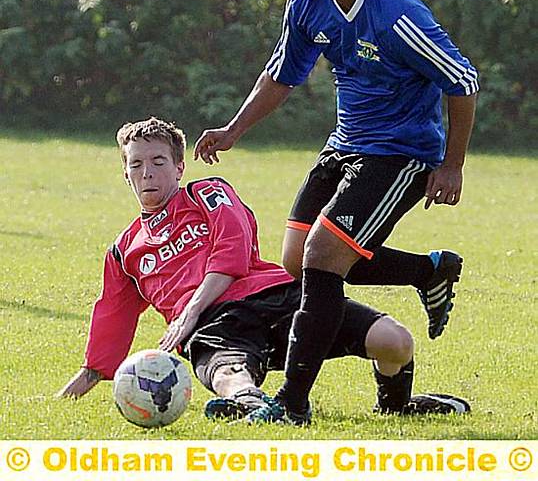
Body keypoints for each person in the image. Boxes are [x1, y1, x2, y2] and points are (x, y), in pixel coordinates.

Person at [194, 0, 479, 424]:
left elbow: (462, 82)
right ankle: (428, 271)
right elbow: (282, 74)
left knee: (324, 256)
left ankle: (290, 403)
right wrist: (234, 129)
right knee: (296, 259)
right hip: (344, 145)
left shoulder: (397, 16)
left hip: (402, 154)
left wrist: (452, 164)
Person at [56, 116, 470, 422]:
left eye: (159, 161)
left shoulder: (208, 193)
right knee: (231, 377)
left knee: (395, 341)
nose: (147, 172)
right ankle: (253, 406)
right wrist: (85, 379)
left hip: (277, 297)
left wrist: (189, 310)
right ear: (125, 173)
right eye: (136, 164)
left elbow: (233, 248)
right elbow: (113, 313)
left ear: (179, 167)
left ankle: (397, 407)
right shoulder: (125, 249)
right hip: (215, 329)